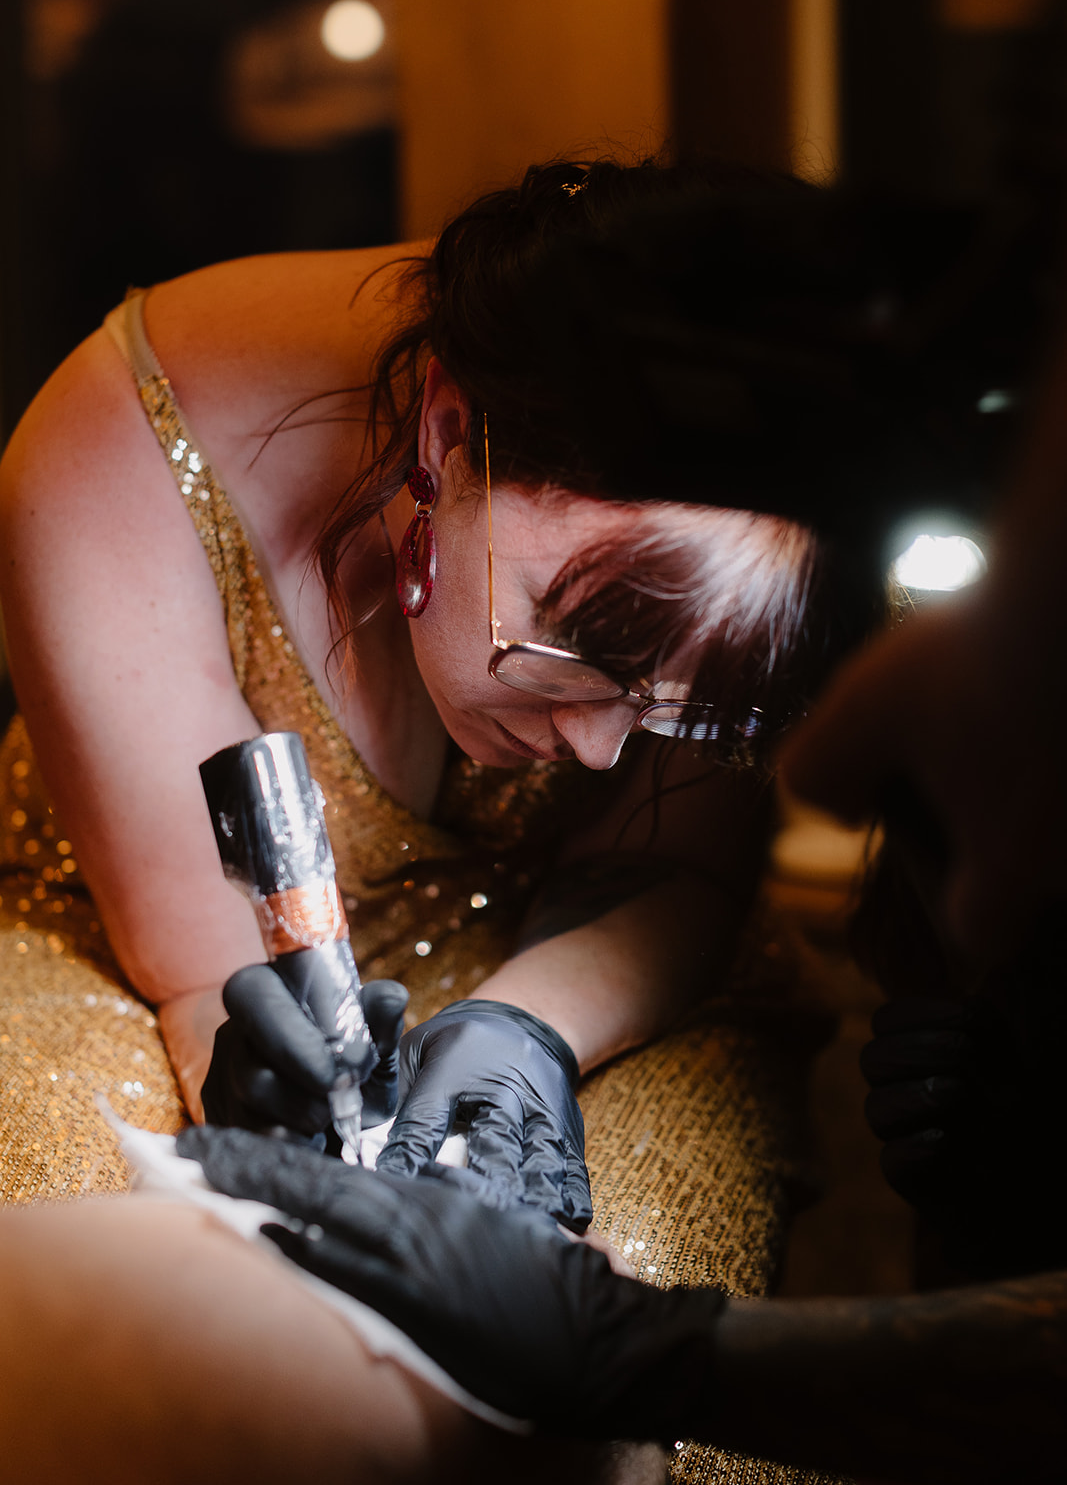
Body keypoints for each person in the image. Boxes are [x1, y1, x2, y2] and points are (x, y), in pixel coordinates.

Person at [0, 156, 861, 1484]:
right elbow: (204, 966)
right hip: (146, 959)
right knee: (135, 1319)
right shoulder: (114, 445)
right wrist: (273, 1076)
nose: (593, 745)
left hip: (594, 969)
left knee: (644, 1333)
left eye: (666, 702)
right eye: (573, 646)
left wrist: (525, 1034)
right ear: (447, 432)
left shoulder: (737, 464)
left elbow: (673, 871)